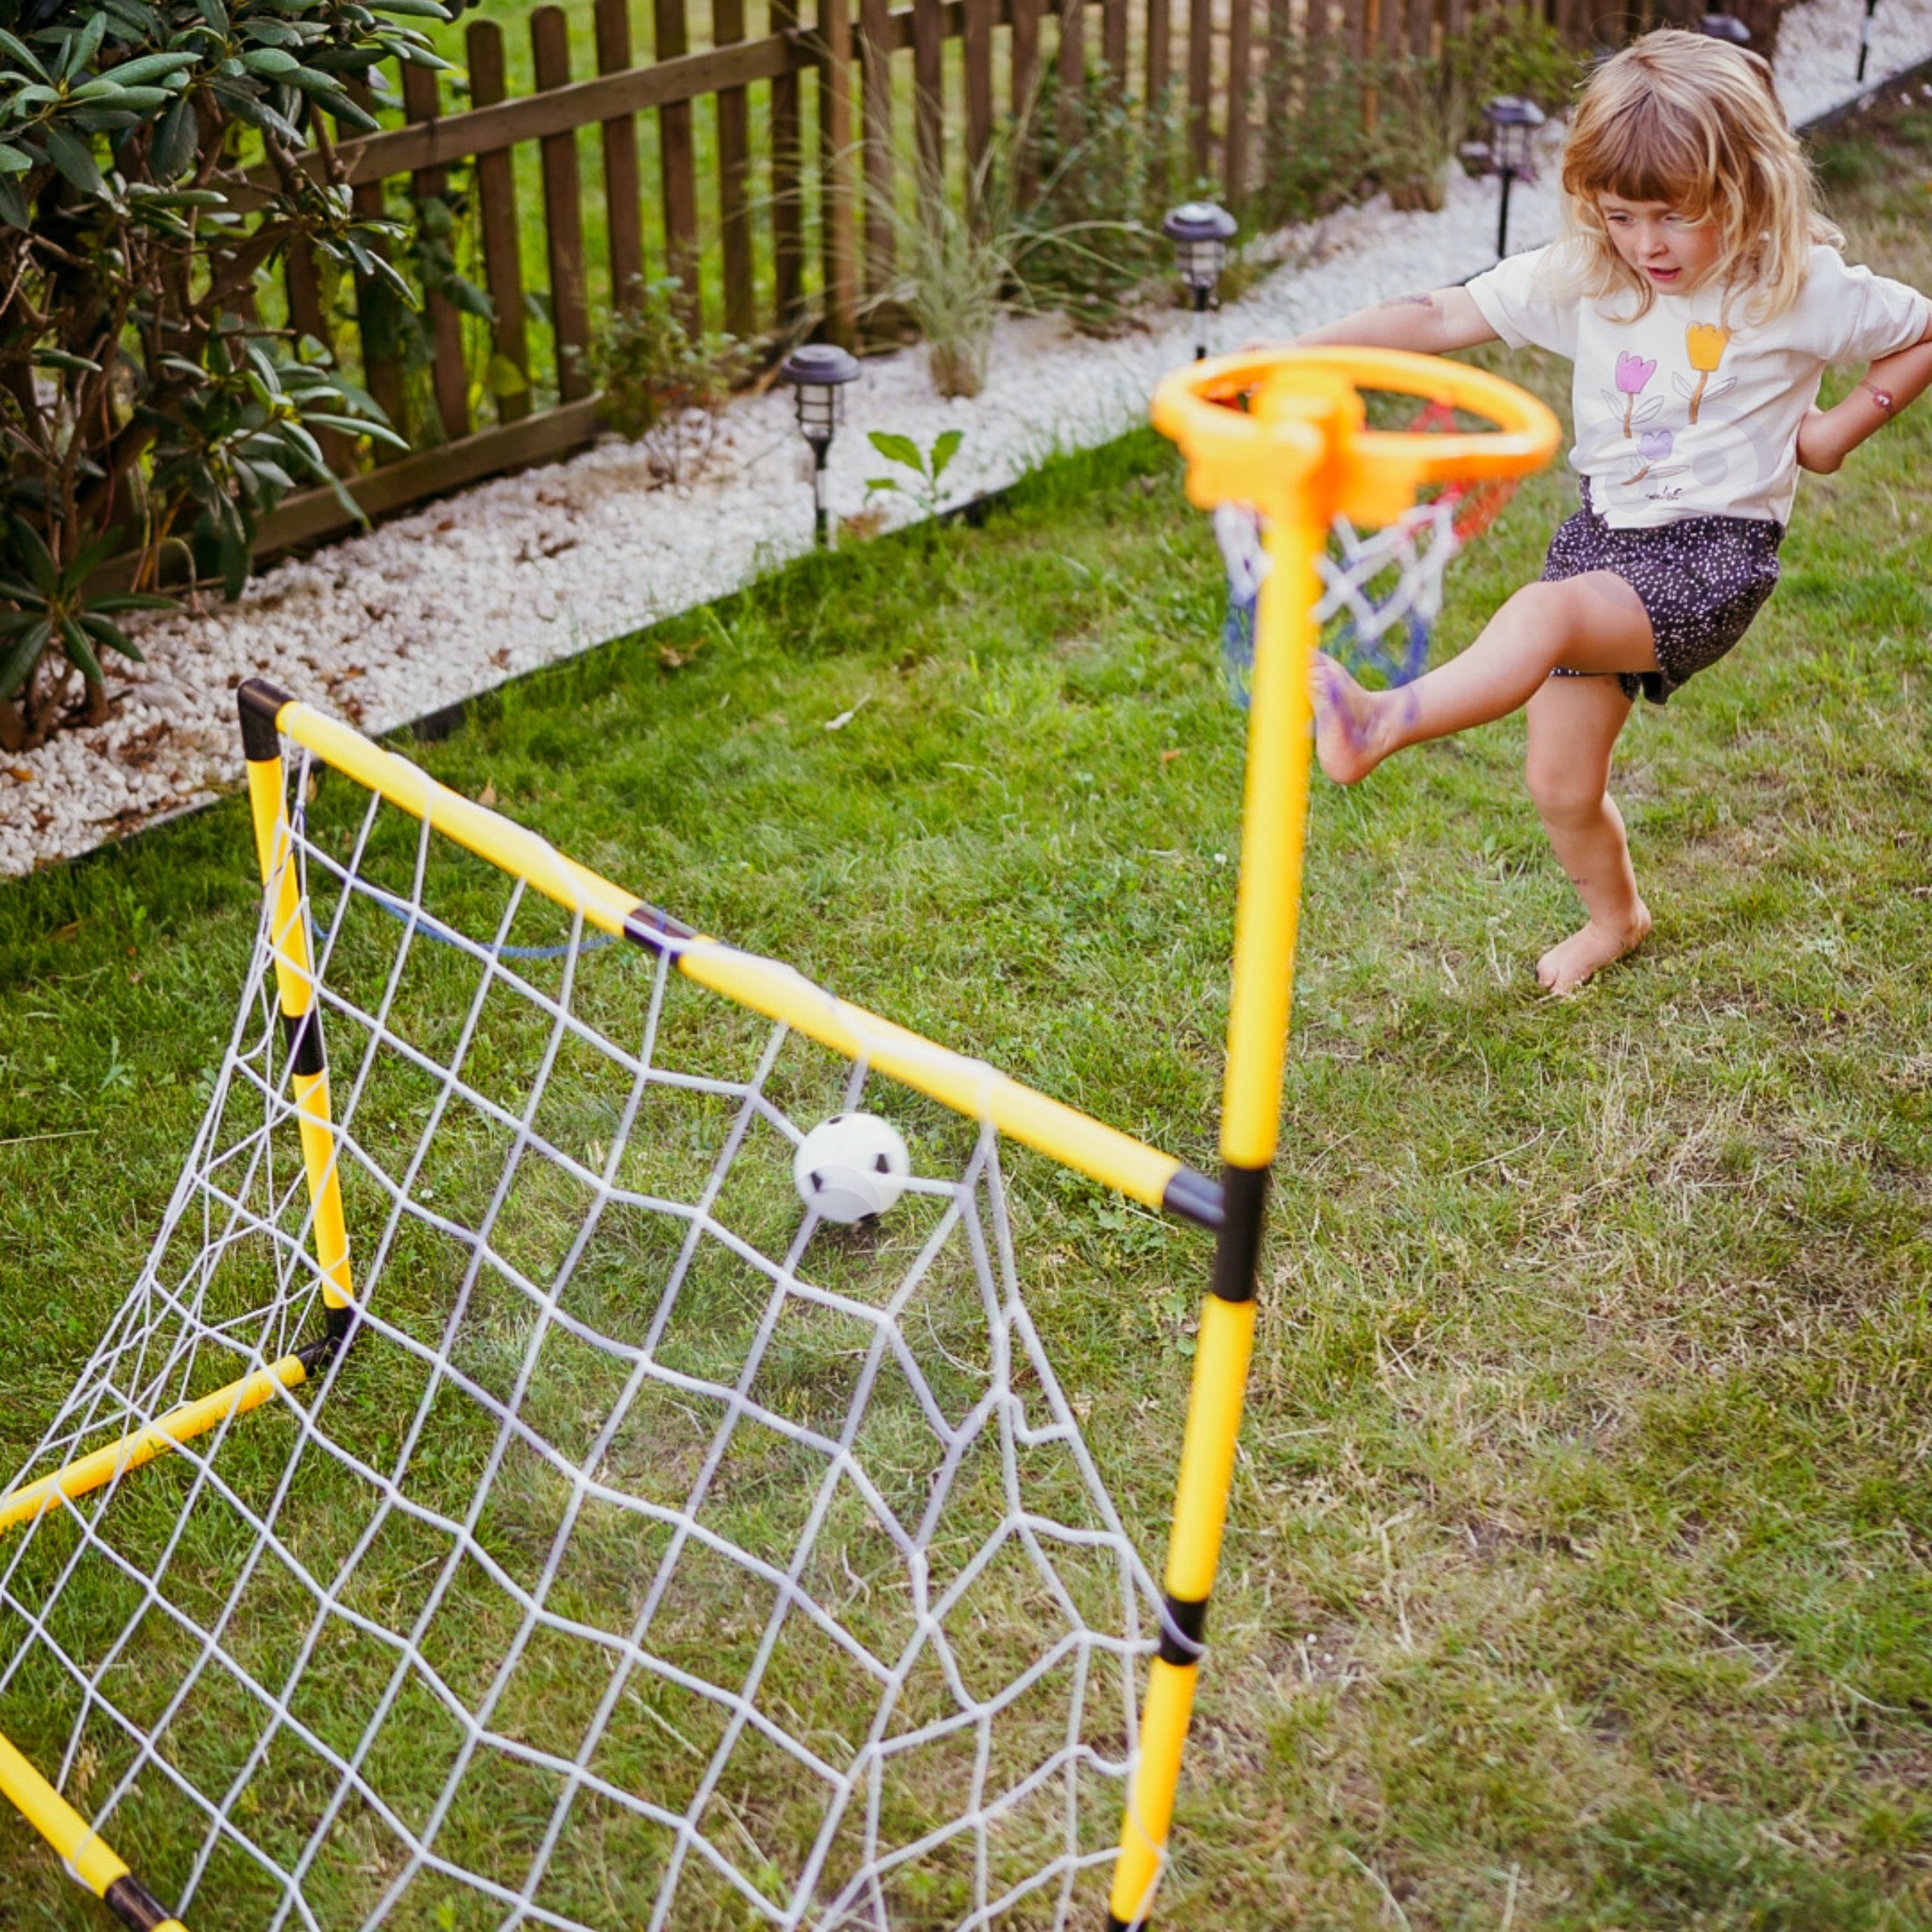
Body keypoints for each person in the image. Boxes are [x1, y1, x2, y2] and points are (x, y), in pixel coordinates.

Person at [1294, 28, 1932, 993]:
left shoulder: (1797, 288)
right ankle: (1616, 918)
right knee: (1557, 781)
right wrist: (1298, 356)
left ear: (1748, 188)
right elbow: (1438, 316)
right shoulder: (1596, 276)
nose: (1646, 245)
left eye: (1675, 218)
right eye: (1623, 214)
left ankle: (1379, 722)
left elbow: (1921, 328)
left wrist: (1840, 426)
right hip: (1604, 539)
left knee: (1541, 614)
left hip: (1716, 559)